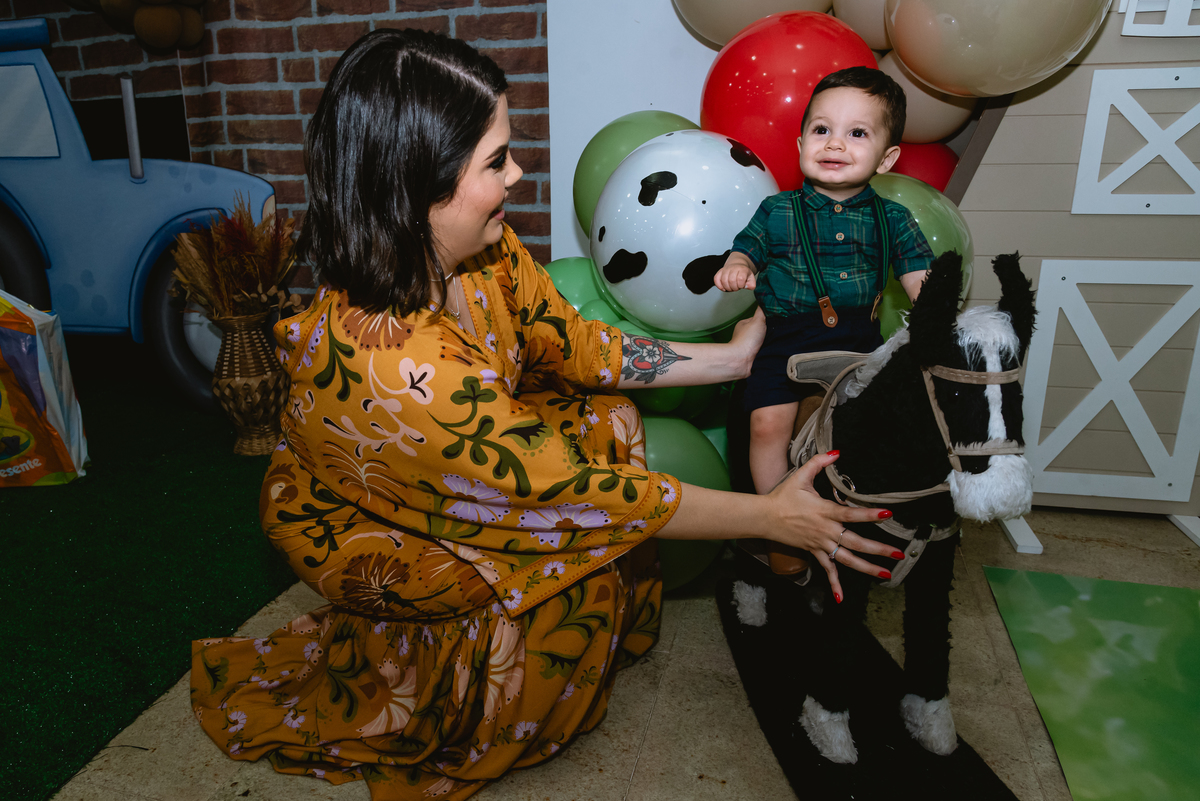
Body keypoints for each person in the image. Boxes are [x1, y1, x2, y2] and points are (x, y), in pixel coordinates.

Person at [190, 30, 901, 801]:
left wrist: (727, 360)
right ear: (415, 186)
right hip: (378, 515)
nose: (518, 175)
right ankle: (480, 700)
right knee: (587, 517)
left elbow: (577, 344)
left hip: (474, 460)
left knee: (612, 422)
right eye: (495, 160)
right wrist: (771, 519)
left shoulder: (481, 254)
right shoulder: (399, 368)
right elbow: (583, 493)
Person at [714, 67, 934, 497]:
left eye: (857, 133)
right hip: (784, 339)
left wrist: (935, 315)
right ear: (801, 145)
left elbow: (920, 279)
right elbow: (746, 248)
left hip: (859, 342)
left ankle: (848, 504)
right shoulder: (776, 209)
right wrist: (737, 265)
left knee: (864, 430)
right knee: (766, 424)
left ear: (887, 159)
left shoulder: (893, 218)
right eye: (821, 129)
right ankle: (776, 515)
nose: (834, 143)